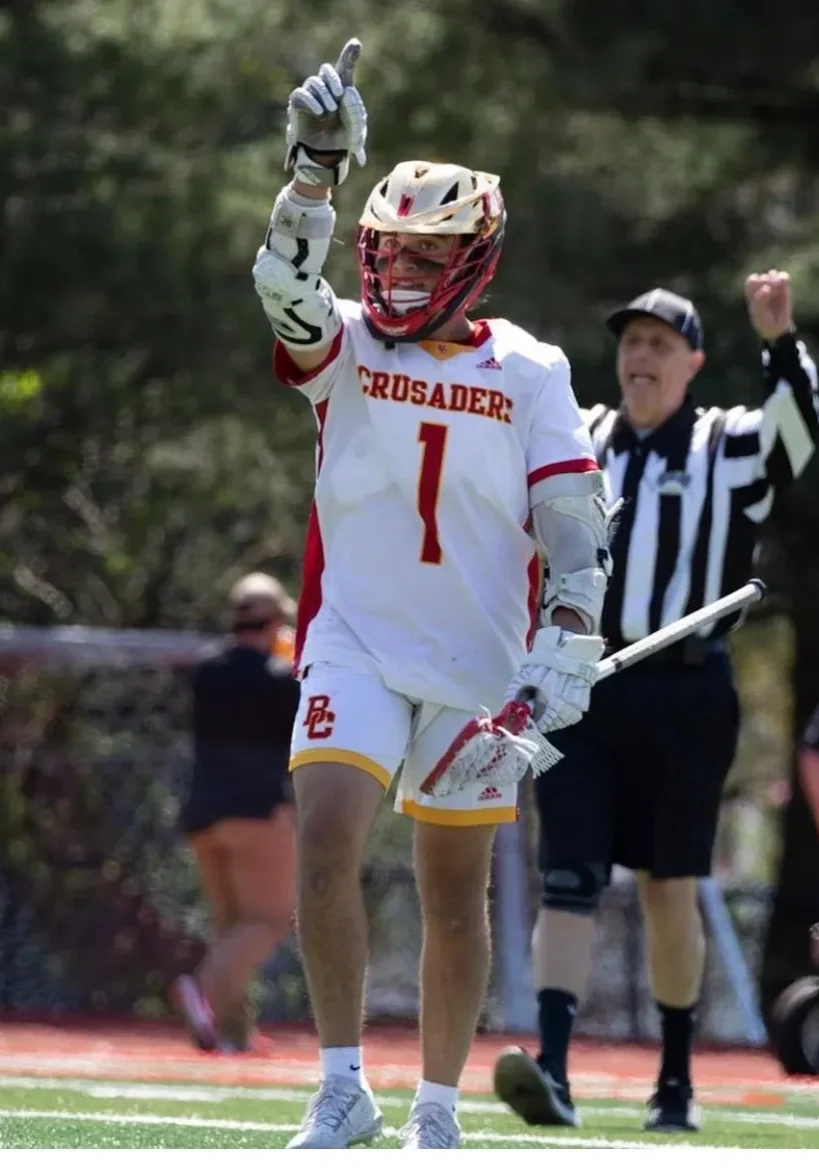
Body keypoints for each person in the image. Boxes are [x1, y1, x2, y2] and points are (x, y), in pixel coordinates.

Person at [251, 38, 613, 1148]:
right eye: (390, 248)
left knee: (455, 887)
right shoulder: (347, 346)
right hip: (352, 639)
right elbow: (282, 287)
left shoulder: (533, 370)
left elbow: (568, 515)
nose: (400, 269)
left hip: (476, 659)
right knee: (325, 834)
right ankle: (342, 1082)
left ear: (478, 257)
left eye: (427, 251)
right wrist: (312, 176)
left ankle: (439, 1105)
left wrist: (570, 633)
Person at [493, 277, 819, 1131]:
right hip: (584, 685)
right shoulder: (585, 437)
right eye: (631, 341)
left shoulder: (727, 445)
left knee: (669, 884)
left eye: (660, 344)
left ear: (692, 363)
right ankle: (553, 1068)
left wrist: (778, 341)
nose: (640, 357)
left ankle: (674, 1079)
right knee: (566, 878)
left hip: (685, 691)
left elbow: (798, 431)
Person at [172, 572, 300, 1053]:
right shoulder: (278, 679)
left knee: (231, 926)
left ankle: (234, 1031)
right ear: (277, 622)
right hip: (256, 811)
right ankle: (199, 992)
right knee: (266, 920)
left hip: (203, 812)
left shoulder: (209, 671)